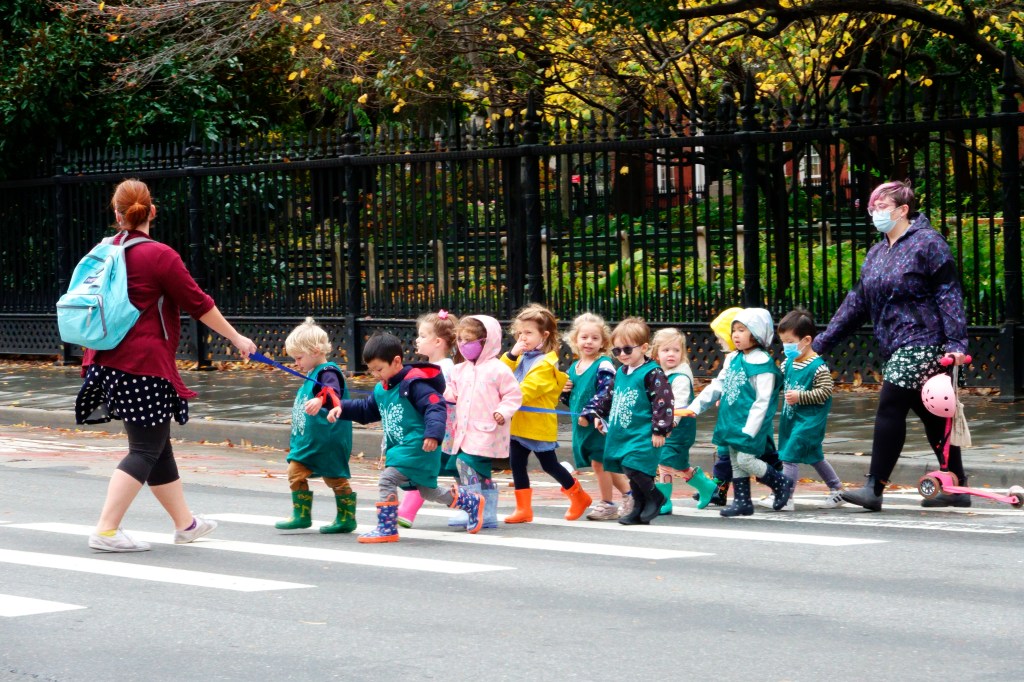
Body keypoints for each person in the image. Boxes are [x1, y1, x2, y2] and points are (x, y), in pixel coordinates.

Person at [77, 179, 257, 553]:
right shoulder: (159, 255)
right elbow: (198, 303)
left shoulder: (104, 250)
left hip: (103, 359)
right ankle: (106, 530)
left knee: (157, 444)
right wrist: (237, 339)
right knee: (144, 448)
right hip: (142, 365)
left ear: (117, 215)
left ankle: (185, 524)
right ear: (152, 211)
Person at [813, 180, 969, 510]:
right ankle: (957, 484)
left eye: (881, 206)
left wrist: (956, 343)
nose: (874, 212)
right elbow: (856, 303)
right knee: (932, 416)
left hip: (925, 342)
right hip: (895, 345)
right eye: (872, 206)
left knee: (890, 407)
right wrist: (821, 344)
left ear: (902, 210)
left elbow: (949, 294)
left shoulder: (929, 243)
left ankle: (874, 487)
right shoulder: (877, 252)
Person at [326, 333, 484, 543]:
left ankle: (386, 527)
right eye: (371, 369)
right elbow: (367, 410)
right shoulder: (382, 388)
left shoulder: (414, 384)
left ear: (397, 361)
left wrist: (433, 434)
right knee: (428, 491)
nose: (375, 374)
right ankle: (471, 502)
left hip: (419, 445)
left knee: (388, 478)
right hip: (402, 446)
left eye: (379, 369)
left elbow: (435, 406)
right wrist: (340, 408)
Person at [678, 308, 794, 517]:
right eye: (734, 330)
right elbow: (718, 385)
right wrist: (695, 407)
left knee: (745, 460)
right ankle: (743, 502)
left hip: (750, 424)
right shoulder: (733, 359)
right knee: (734, 460)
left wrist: (751, 429)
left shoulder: (763, 364)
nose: (735, 335)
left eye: (742, 330)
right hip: (730, 420)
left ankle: (782, 482)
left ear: (757, 333)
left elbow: (763, 401)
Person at [501, 303, 592, 523]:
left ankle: (579, 496)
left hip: (537, 424)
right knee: (517, 464)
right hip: (518, 423)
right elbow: (500, 373)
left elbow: (526, 391)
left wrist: (502, 398)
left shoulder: (546, 363)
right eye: (520, 333)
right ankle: (523, 509)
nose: (523, 338)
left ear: (545, 335)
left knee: (549, 464)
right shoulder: (522, 356)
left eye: (529, 333)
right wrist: (512, 355)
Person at [587, 317, 674, 525]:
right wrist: (600, 415)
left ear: (644, 347)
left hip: (642, 432)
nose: (622, 355)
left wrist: (660, 429)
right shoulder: (621, 372)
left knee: (634, 466)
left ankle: (655, 496)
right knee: (631, 471)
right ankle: (639, 508)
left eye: (627, 350)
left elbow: (663, 401)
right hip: (622, 432)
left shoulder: (653, 373)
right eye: (617, 351)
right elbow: (609, 396)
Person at [274, 318, 355, 533]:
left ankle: (346, 518)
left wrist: (320, 400)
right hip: (311, 439)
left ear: (316, 350)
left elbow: (332, 391)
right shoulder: (312, 373)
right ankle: (301, 515)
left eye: (299, 357)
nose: (296, 363)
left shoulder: (328, 371)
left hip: (327, 438)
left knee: (334, 477)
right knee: (295, 471)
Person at [758, 308, 844, 511]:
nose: (786, 346)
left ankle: (785, 497)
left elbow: (825, 392)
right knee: (815, 457)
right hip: (792, 420)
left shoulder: (818, 367)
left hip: (809, 422)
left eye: (789, 341)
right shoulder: (789, 363)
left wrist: (801, 397)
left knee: (788, 457)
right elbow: (777, 381)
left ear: (806, 340)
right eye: (783, 341)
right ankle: (837, 489)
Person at [443, 315, 523, 529]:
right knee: (472, 471)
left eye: (468, 340)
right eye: (459, 339)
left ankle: (471, 507)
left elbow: (513, 395)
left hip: (486, 430)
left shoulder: (498, 369)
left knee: (466, 464)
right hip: (463, 431)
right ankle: (486, 513)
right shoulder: (459, 370)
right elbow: (452, 393)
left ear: (485, 341)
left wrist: (503, 411)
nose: (462, 345)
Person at [561, 313, 633, 521]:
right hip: (583, 424)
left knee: (600, 463)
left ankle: (608, 502)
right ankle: (629, 495)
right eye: (584, 337)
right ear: (575, 340)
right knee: (601, 463)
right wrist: (564, 390)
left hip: (599, 423)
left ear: (603, 342)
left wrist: (590, 412)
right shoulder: (574, 368)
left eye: (595, 338)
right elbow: (573, 398)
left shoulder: (603, 364)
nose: (589, 342)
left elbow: (606, 392)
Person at [397, 309, 459, 529]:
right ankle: (466, 503)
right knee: (441, 468)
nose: (417, 339)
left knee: (425, 468)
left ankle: (406, 511)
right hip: (436, 426)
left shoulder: (443, 369)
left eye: (423, 336)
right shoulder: (433, 368)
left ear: (438, 341)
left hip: (443, 428)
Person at [650, 328, 719, 513]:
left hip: (678, 428)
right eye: (666, 350)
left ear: (682, 353)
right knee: (678, 464)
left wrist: (669, 424)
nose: (671, 354)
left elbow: (678, 405)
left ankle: (664, 501)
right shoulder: (661, 372)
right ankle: (706, 487)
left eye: (676, 350)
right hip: (668, 426)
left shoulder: (679, 377)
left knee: (664, 461)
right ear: (657, 353)